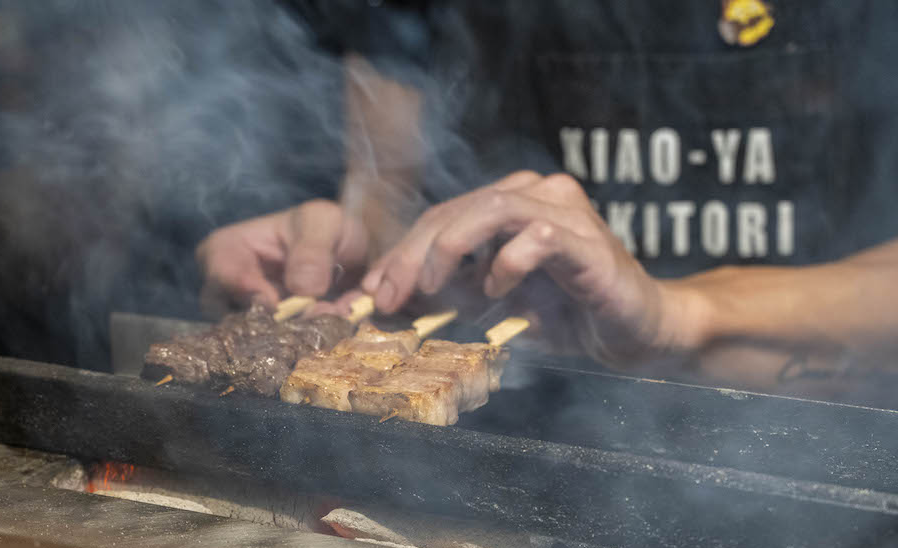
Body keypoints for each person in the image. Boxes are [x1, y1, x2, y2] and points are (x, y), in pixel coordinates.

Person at [196, 0, 898, 405]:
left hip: (813, 447)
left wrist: (677, 313)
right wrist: (349, 267)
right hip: (522, 439)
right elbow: (386, 193)